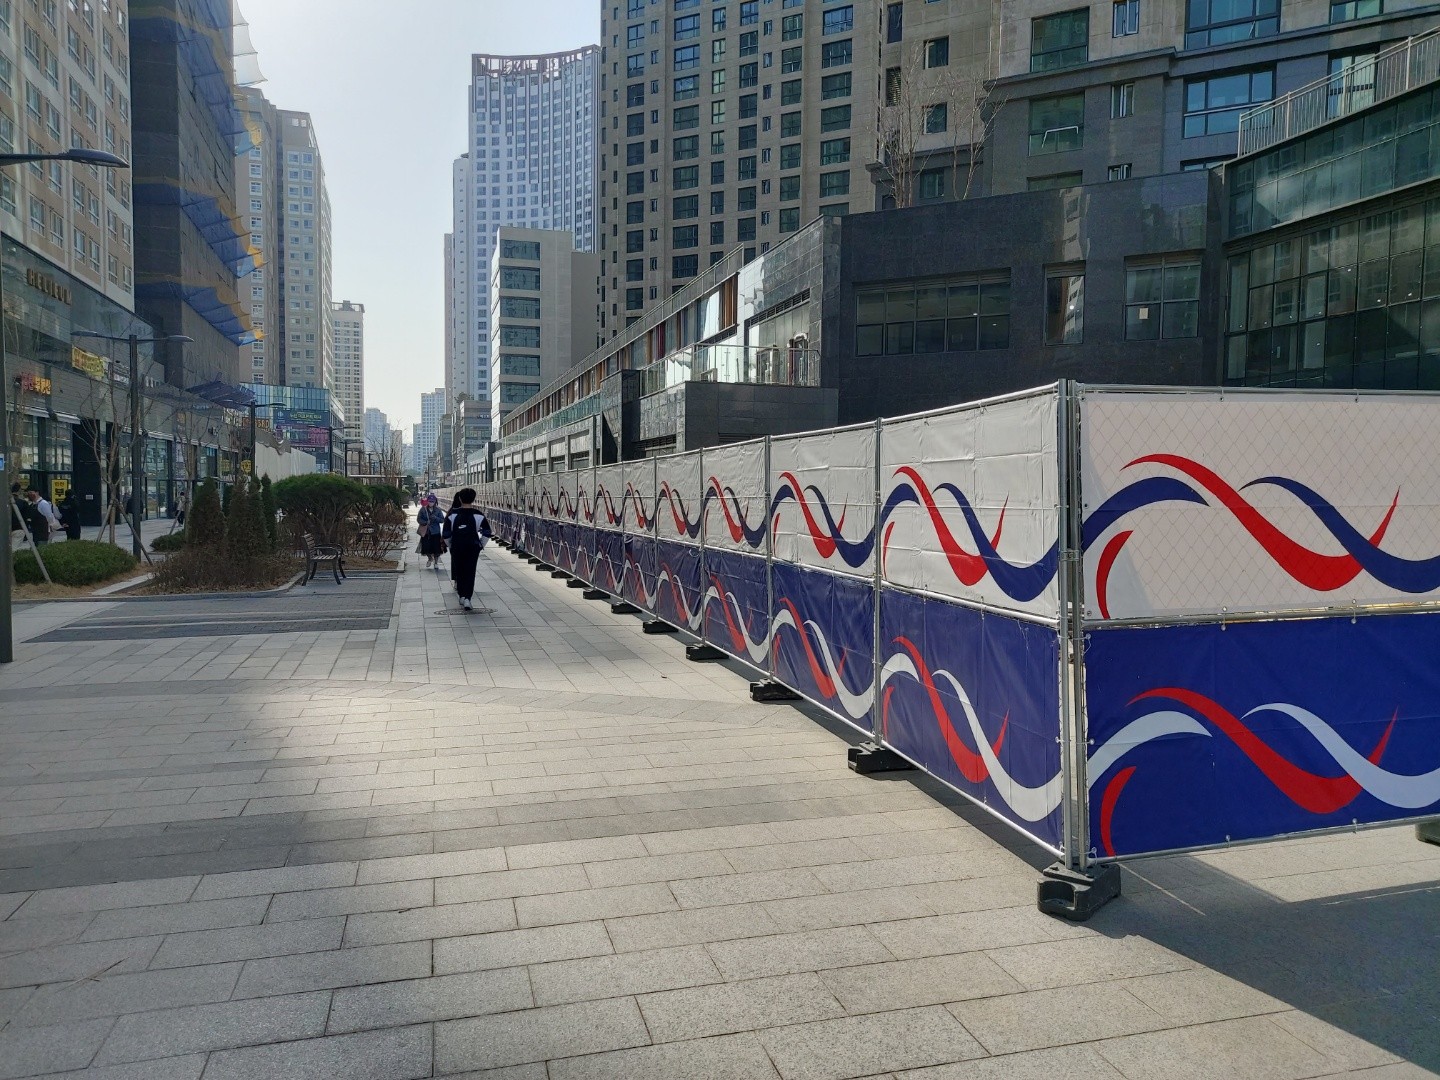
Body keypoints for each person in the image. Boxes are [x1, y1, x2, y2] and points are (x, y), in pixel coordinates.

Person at [442, 487, 492, 611]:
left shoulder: (452, 515)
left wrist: (451, 545)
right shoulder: (478, 514)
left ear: (460, 498)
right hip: (473, 546)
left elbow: (446, 534)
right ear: (473, 499)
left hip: (457, 546)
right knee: (470, 571)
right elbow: (487, 532)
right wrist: (481, 545)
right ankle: (468, 598)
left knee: (459, 570)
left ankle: (462, 595)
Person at [416, 493, 446, 569]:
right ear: (427, 501)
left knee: (436, 549)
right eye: (429, 501)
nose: (431, 503)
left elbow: (442, 520)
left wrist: (435, 518)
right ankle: (430, 558)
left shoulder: (438, 510)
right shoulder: (423, 509)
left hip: (435, 532)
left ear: (435, 502)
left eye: (432, 501)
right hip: (426, 531)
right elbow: (419, 519)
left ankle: (436, 562)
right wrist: (425, 522)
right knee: (426, 547)